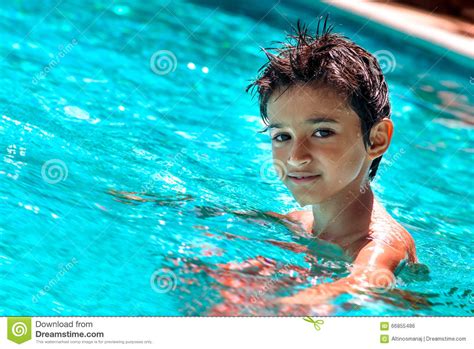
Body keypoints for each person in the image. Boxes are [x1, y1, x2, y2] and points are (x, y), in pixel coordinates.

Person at [245, 18, 418, 305]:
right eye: (282, 136)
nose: (296, 157)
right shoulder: (304, 222)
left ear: (376, 139)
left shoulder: (381, 244)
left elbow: (366, 281)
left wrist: (294, 304)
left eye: (322, 132)